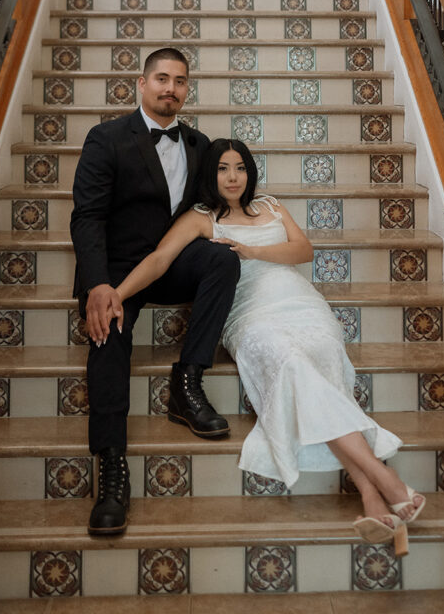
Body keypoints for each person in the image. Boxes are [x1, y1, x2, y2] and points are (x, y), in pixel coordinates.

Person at [107, 138, 427, 554]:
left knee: (323, 359)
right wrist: (117, 294)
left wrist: (253, 250)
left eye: (239, 167)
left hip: (302, 303)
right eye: (223, 168)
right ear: (211, 174)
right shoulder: (200, 218)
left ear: (249, 172)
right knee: (293, 363)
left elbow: (304, 250)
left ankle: (370, 495)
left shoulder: (271, 206)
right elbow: (159, 260)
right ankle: (386, 481)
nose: (233, 176)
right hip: (251, 315)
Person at [70, 50, 240, 536]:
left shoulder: (200, 143)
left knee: (224, 261)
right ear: (141, 83)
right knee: (107, 335)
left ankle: (187, 383)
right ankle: (112, 469)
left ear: (187, 89)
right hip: (117, 269)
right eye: (162, 79)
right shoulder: (106, 138)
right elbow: (87, 217)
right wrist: (100, 283)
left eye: (180, 81)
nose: (171, 88)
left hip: (172, 260)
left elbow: (218, 200)